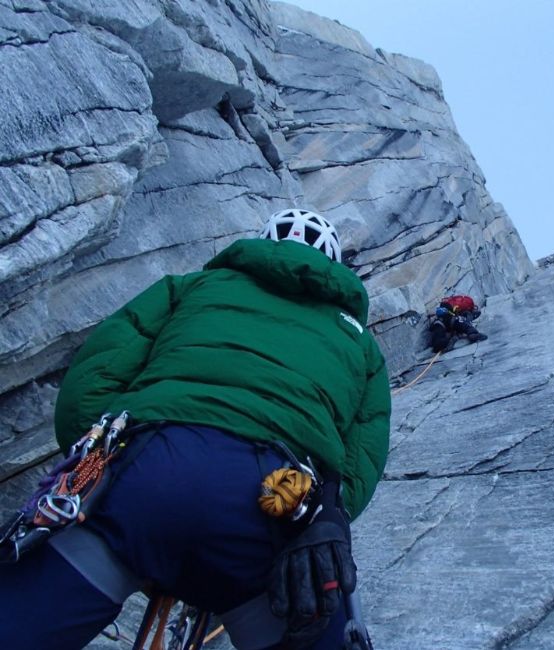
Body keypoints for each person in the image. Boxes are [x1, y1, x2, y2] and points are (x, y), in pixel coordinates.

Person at [0, 209, 391, 650]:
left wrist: (98, 459)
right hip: (274, 502)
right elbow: (363, 455)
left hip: (147, 473)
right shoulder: (360, 341)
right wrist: (321, 516)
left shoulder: (190, 287)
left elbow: (93, 376)